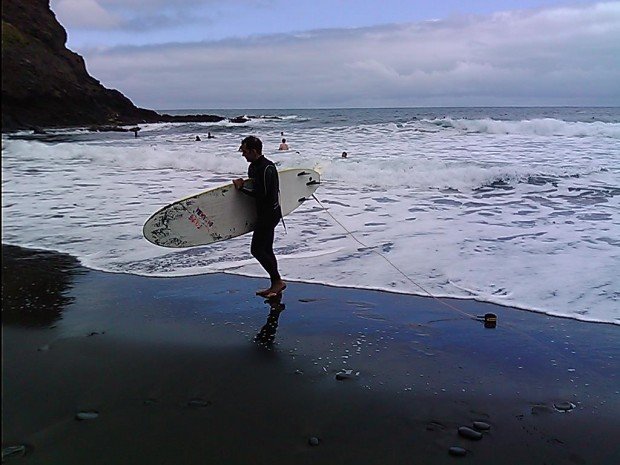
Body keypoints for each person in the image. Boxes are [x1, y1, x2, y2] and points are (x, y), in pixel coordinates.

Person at [233, 136, 286, 298]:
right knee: (266, 249)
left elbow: (263, 195)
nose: (243, 155)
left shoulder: (266, 168)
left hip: (269, 214)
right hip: (264, 214)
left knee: (256, 249)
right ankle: (275, 284)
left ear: (254, 151)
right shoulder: (254, 167)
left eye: (245, 151)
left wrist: (241, 189)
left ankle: (277, 281)